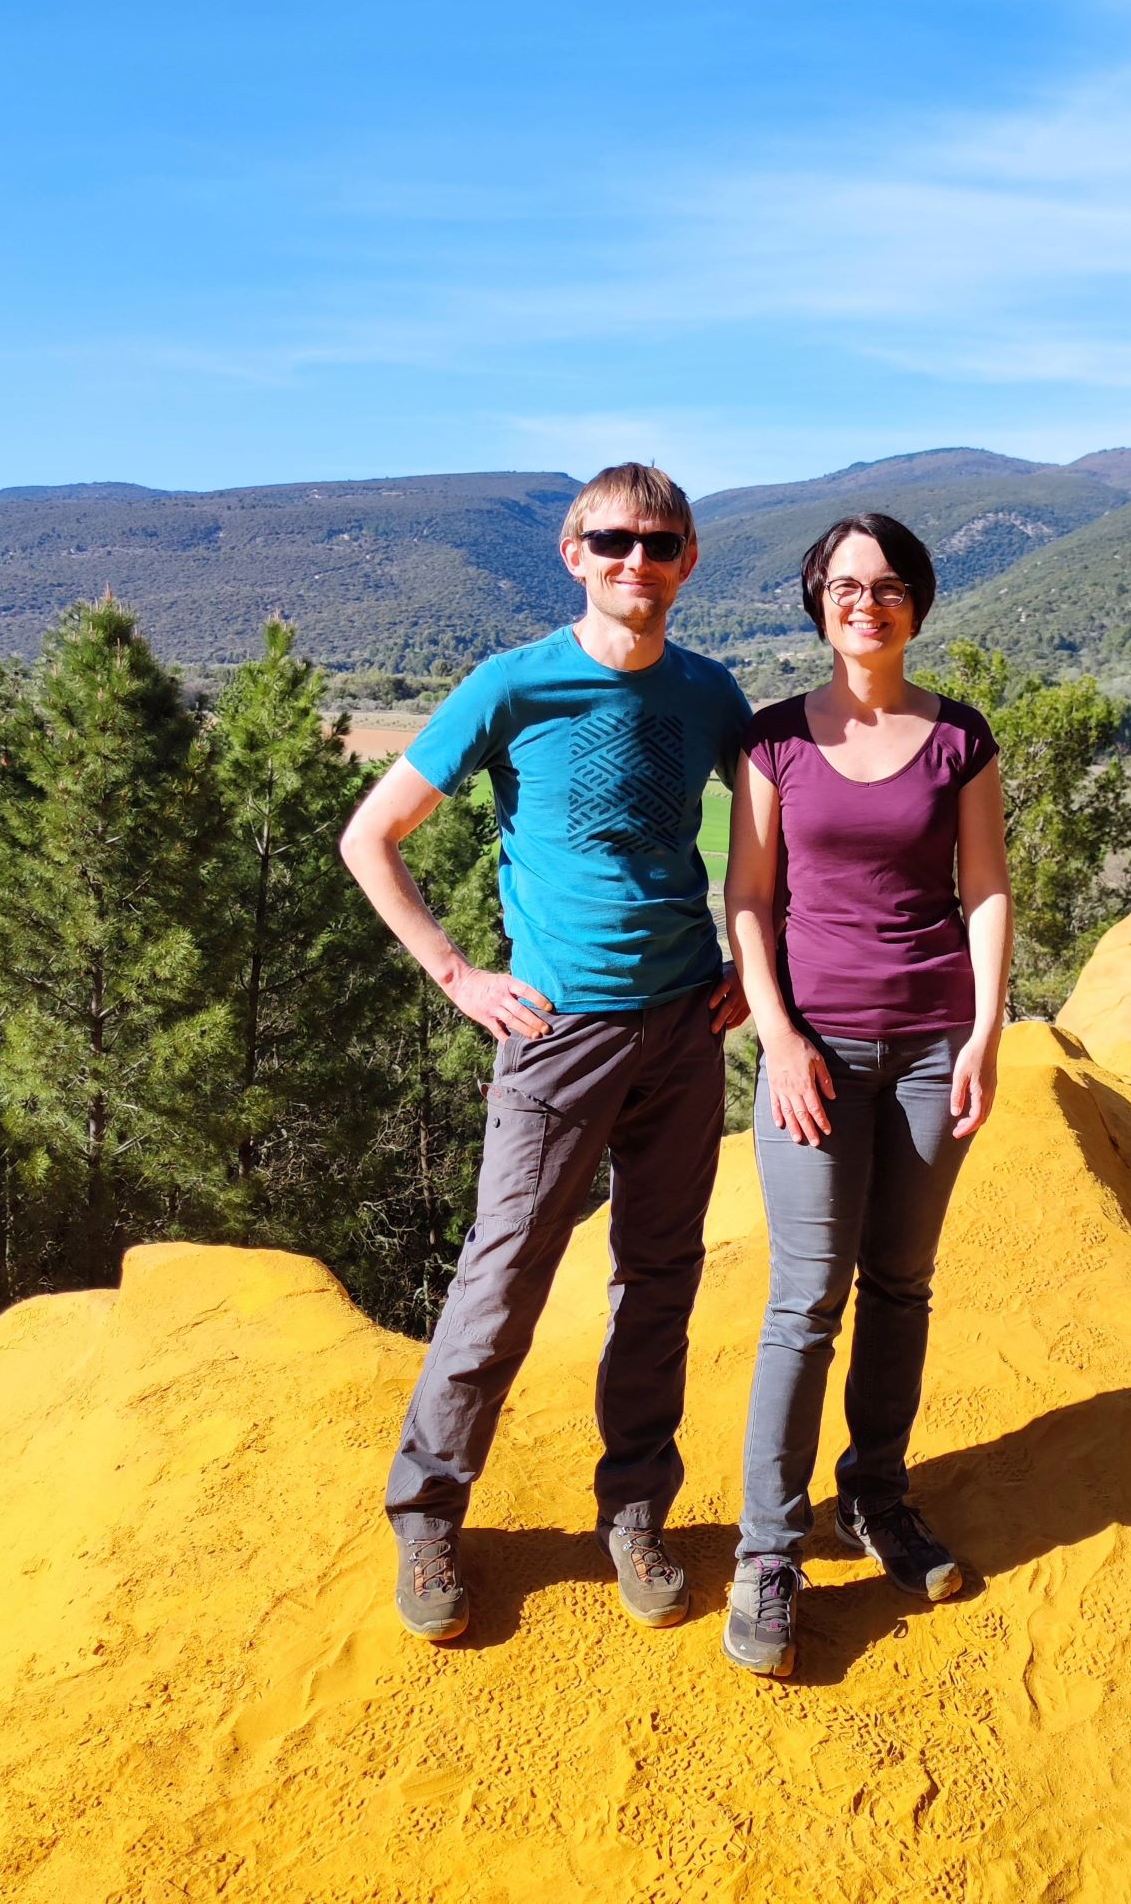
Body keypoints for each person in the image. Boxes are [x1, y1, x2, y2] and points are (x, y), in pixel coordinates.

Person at [338, 462, 751, 1645]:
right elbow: (373, 835)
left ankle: (634, 1510)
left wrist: (743, 961)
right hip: (556, 1034)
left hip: (683, 1028)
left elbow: (779, 835)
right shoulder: (511, 686)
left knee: (659, 1280)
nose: (638, 563)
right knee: (502, 1278)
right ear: (573, 553)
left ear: (687, 562)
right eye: (614, 541)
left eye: (661, 544)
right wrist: (458, 975)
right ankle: (428, 1513)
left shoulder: (711, 696)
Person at [719, 510, 1012, 1679]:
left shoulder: (961, 740)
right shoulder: (774, 740)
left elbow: (983, 887)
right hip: (818, 1050)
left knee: (902, 1285)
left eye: (888, 585)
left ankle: (875, 1498)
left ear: (917, 602)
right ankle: (766, 1553)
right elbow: (747, 896)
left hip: (936, 1043)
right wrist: (780, 1038)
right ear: (817, 603)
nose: (867, 601)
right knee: (806, 1300)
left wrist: (988, 1028)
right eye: (845, 585)